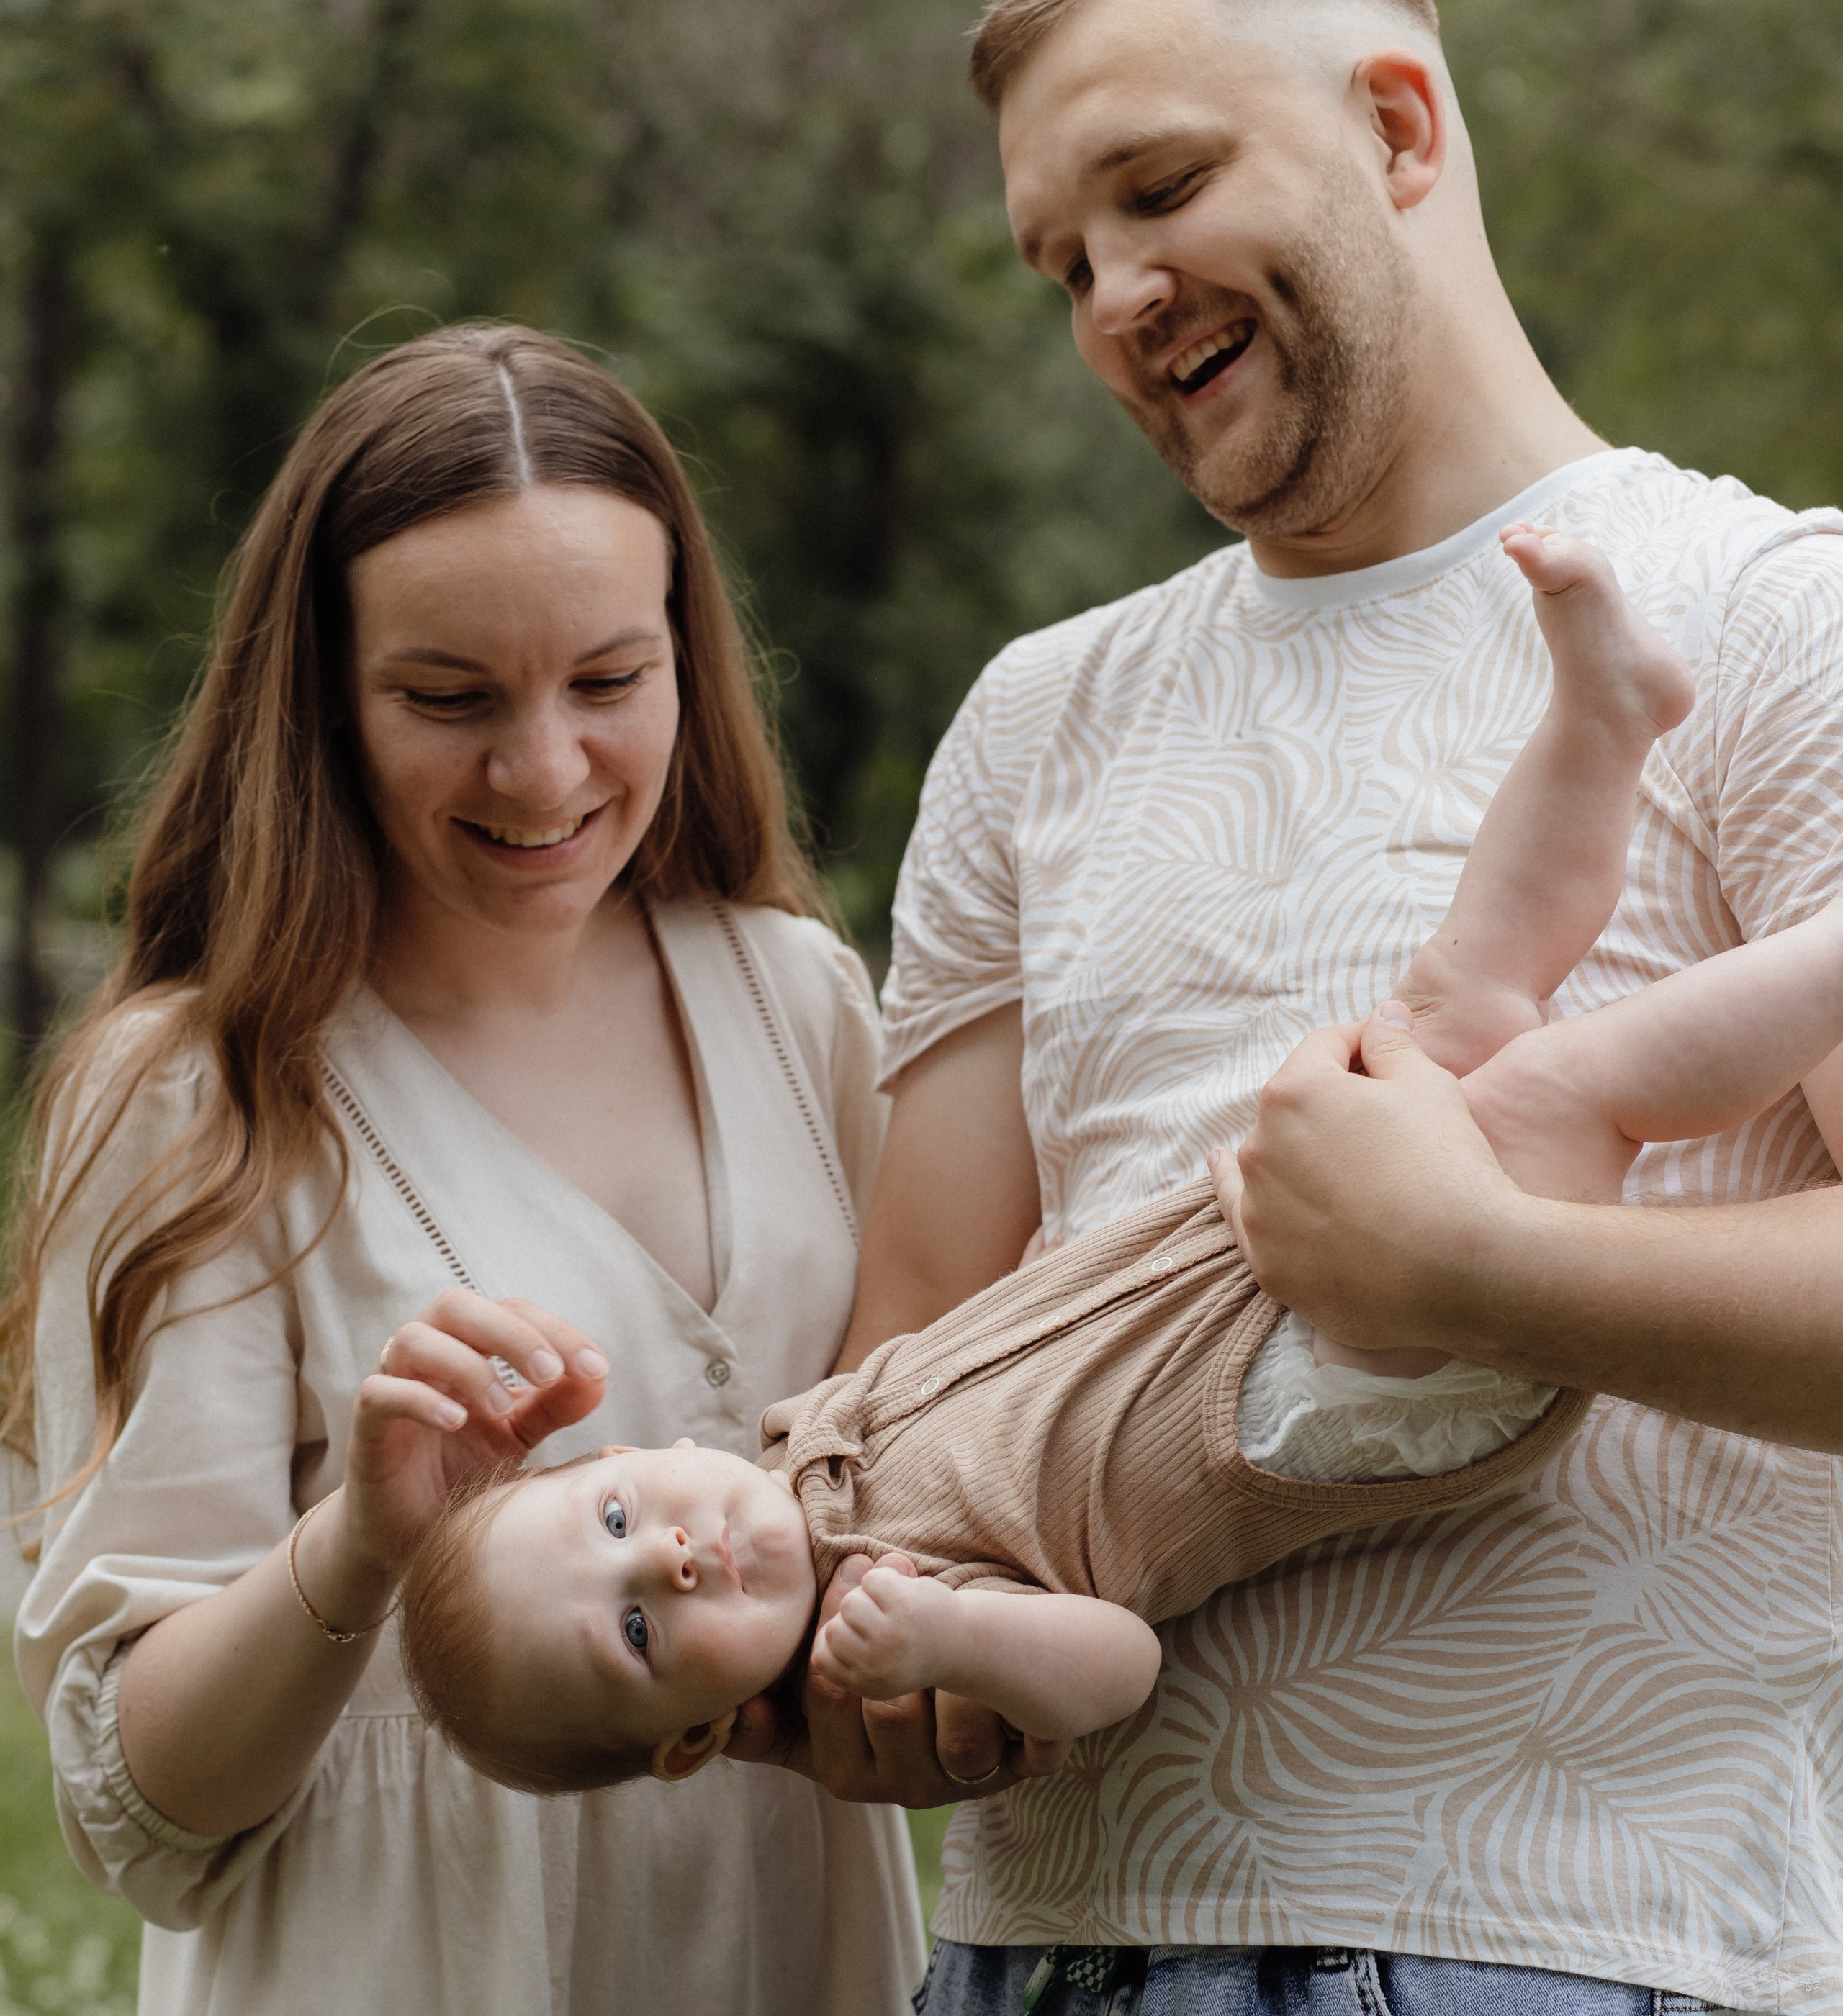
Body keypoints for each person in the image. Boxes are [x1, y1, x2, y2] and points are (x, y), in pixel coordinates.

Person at [794, 2, 1843, 2016]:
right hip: (1018, 2007)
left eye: (1156, 193)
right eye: (1059, 256)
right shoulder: (1043, 719)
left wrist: (1482, 1272)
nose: (1115, 296)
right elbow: (914, 1339)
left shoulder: (1772, 615)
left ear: (1397, 123)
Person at [5, 325, 936, 2016]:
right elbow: (140, 1805)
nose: (545, 773)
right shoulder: (199, 1094)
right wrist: (359, 1543)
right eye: (446, 698)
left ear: (683, 663)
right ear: (314, 697)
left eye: (606, 681)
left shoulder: (806, 1011)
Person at [400, 529, 1843, 1819]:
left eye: (612, 1521)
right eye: (641, 1633)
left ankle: (1602, 723)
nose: (672, 1561)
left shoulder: (803, 1443)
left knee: (1459, 1004)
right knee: (1557, 1090)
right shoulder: (891, 1607)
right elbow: (1109, 1665)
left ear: (629, 1455)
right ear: (691, 1737)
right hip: (1345, 1380)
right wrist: (944, 1643)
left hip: (1255, 1270)